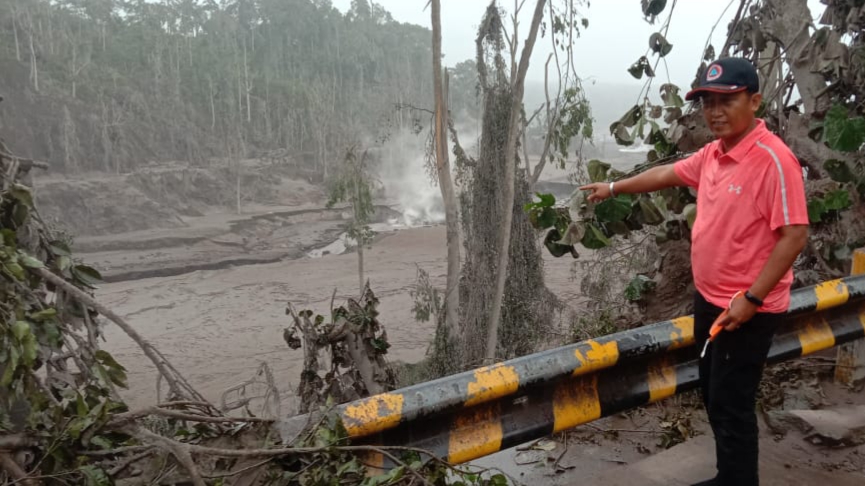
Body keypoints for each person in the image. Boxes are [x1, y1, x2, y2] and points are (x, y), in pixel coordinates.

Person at [580, 57, 809, 486]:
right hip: (712, 300)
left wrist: (752, 299)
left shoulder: (773, 160)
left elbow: (794, 235)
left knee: (731, 401)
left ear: (754, 101)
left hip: (746, 308)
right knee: (713, 392)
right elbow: (669, 172)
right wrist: (613, 187)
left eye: (727, 100)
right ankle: (731, 476)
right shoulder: (713, 154)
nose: (715, 111)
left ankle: (738, 481)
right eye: (707, 102)